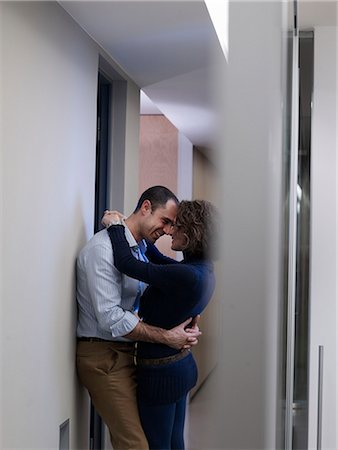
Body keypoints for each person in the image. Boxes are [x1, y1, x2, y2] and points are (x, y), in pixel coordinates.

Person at [76, 186, 201, 450]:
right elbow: (110, 318)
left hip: (128, 352)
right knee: (136, 445)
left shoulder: (140, 248)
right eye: (165, 222)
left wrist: (188, 322)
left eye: (172, 225)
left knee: (153, 437)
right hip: (103, 358)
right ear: (145, 207)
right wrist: (167, 336)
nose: (168, 231)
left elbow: (159, 275)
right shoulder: (103, 250)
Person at [102, 199, 216, 450]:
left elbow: (127, 264)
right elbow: (158, 260)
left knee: (157, 445)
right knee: (174, 442)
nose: (170, 231)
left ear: (191, 233)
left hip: (161, 375)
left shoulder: (187, 275)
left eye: (176, 226)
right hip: (179, 367)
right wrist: (139, 232)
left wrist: (115, 228)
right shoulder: (201, 270)